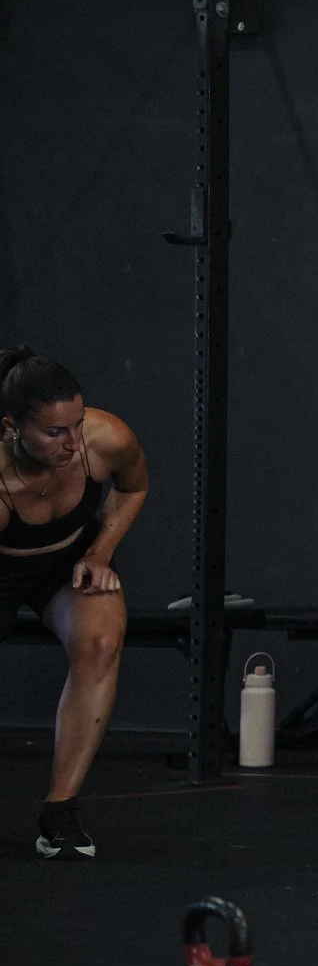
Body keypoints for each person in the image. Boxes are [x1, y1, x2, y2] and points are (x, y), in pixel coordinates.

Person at [1, 348, 149, 860]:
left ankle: (59, 815)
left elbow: (134, 487)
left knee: (101, 641)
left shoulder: (107, 439)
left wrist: (99, 552)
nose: (71, 441)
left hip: (66, 565)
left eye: (76, 423)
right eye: (54, 432)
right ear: (11, 428)